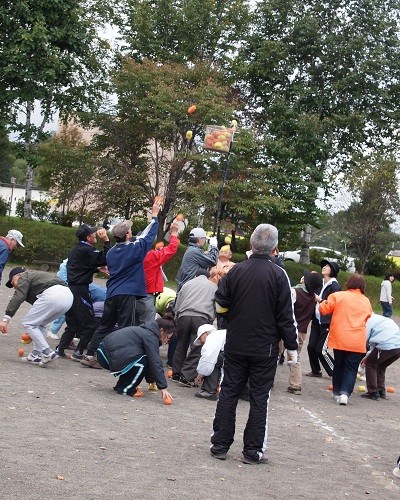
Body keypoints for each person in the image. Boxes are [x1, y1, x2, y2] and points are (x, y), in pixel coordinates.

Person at [211, 223, 298, 465]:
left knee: (228, 392)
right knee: (260, 398)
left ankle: (219, 444)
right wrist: (291, 348)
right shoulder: (279, 275)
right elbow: (286, 316)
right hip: (265, 348)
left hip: (236, 343)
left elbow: (220, 301)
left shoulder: (236, 271)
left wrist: (227, 323)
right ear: (275, 249)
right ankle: (252, 451)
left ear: (250, 244)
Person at [81, 197, 162, 369]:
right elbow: (149, 235)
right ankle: (119, 360)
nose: (131, 231)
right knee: (126, 328)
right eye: (130, 230)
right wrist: (155, 215)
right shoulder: (135, 249)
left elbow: (141, 237)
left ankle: (90, 354)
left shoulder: (111, 253)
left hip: (112, 293)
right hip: (128, 294)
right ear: (127, 234)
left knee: (105, 325)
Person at [56, 224, 110, 360]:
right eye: (93, 233)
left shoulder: (77, 249)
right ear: (88, 237)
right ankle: (79, 352)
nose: (95, 235)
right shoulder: (87, 250)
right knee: (90, 323)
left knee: (73, 322)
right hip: (80, 290)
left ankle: (60, 349)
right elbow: (104, 258)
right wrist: (106, 241)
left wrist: (96, 269)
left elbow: (80, 266)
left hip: (72, 289)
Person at [318, 273, 373, 405]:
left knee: (339, 365)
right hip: (356, 340)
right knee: (351, 368)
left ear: (348, 283)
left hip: (340, 338)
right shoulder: (366, 300)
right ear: (362, 286)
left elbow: (323, 310)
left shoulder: (338, 296)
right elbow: (368, 316)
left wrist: (321, 302)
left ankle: (336, 392)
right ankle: (345, 394)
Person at [0, 267, 73, 366]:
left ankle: (48, 353)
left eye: (13, 282)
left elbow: (18, 297)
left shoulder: (24, 276)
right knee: (39, 325)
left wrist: (5, 319)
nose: (14, 287)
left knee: (27, 323)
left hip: (53, 295)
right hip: (68, 298)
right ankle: (35, 355)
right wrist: (33, 332)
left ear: (18, 275)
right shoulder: (37, 279)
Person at [96, 318, 174, 401]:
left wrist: (151, 380)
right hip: (107, 356)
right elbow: (154, 361)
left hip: (103, 352)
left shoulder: (145, 330)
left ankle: (121, 385)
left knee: (137, 358)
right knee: (143, 361)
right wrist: (163, 387)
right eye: (167, 337)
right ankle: (126, 389)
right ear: (161, 331)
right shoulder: (151, 336)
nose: (166, 341)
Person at [171, 270, 217, 386]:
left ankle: (176, 373)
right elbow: (215, 306)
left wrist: (177, 318)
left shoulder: (187, 284)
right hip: (201, 318)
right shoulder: (213, 287)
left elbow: (178, 303)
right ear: (208, 277)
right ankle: (186, 376)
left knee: (180, 345)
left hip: (184, 316)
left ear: (195, 276)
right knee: (197, 348)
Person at [135, 221, 180, 324]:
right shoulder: (151, 256)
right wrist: (173, 234)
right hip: (146, 296)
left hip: (130, 295)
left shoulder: (129, 254)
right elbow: (171, 249)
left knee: (132, 325)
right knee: (147, 326)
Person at [286, 271, 323, 395]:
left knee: (275, 353)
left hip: (287, 327)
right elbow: (320, 301)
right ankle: (295, 385)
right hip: (301, 331)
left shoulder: (295, 292)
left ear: (304, 282)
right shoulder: (313, 297)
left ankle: (268, 380)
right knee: (295, 356)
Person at [306, 259, 340, 378]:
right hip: (317, 320)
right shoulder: (320, 283)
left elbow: (334, 305)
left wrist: (319, 300)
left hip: (327, 322)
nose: (324, 267)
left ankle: (336, 372)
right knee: (311, 347)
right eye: (324, 265)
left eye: (327, 266)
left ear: (333, 271)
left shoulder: (335, 286)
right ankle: (316, 371)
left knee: (321, 350)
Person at [360, 314, 400, 400]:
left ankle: (373, 392)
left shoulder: (367, 320)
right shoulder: (379, 319)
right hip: (398, 346)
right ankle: (381, 391)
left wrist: (365, 356)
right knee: (380, 366)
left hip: (386, 344)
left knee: (370, 364)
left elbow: (365, 338)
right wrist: (368, 355)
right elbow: (374, 342)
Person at [175, 228, 219, 292]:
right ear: (199, 239)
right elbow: (212, 261)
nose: (205, 241)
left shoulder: (192, 249)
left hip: (186, 287)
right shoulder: (194, 251)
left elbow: (206, 259)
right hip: (189, 289)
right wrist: (214, 246)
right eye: (204, 238)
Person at [193, 324, 226, 401]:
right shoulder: (222, 333)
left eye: (200, 338)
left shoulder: (212, 338)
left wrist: (200, 374)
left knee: (214, 360)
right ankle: (245, 392)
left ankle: (209, 390)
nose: (200, 342)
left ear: (206, 333)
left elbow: (207, 360)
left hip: (231, 354)